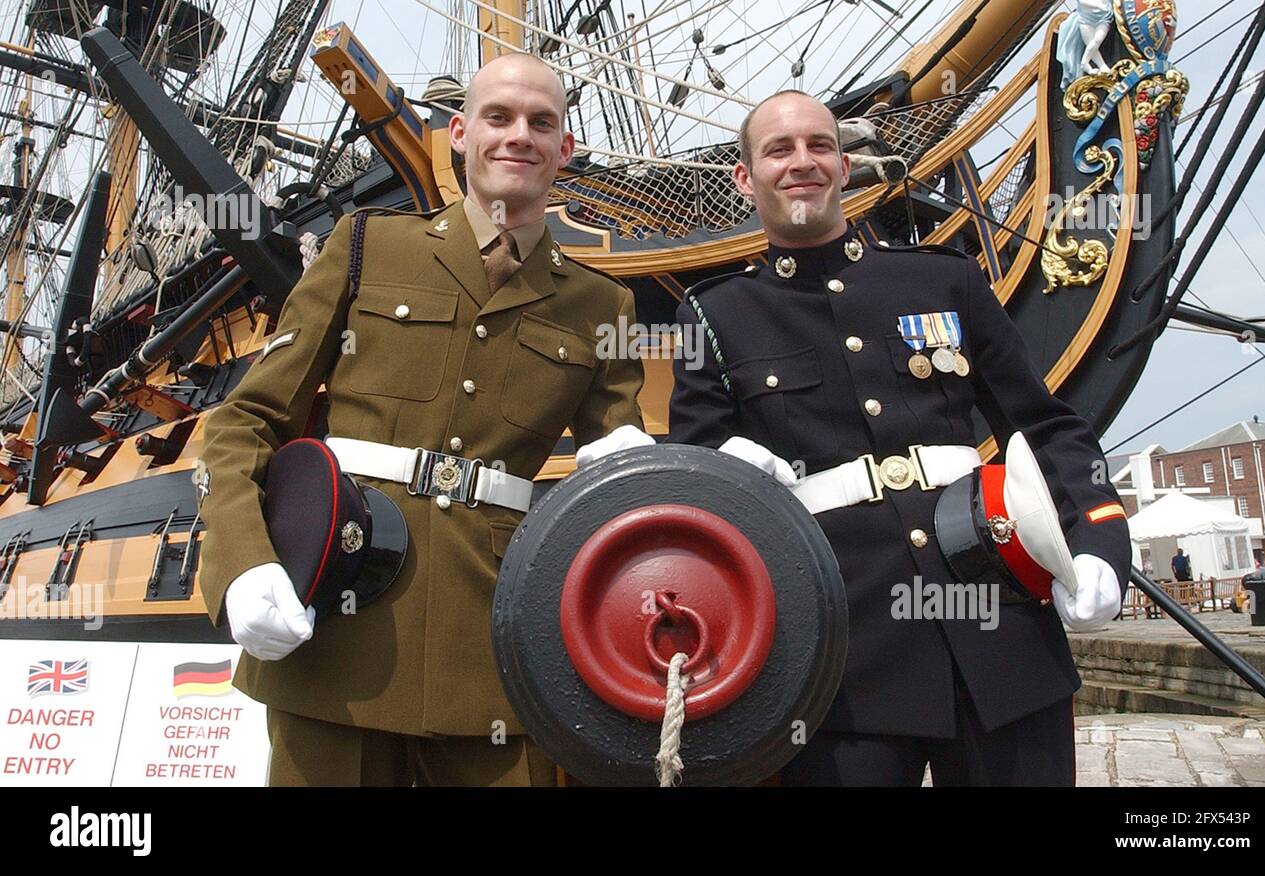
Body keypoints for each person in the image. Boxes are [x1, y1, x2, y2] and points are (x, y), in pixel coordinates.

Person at [199, 53, 651, 786]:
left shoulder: (605, 307)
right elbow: (245, 421)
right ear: (459, 134)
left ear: (565, 149)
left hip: (497, 648)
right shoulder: (367, 247)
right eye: (498, 117)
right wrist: (243, 562)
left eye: (542, 122)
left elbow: (625, 477)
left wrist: (707, 473)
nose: (520, 136)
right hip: (340, 626)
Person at [667, 90, 1131, 786]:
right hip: (844, 663)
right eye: (779, 149)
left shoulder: (943, 280)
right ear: (745, 176)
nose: (803, 162)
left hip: (999, 631)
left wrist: (1097, 543)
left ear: (844, 164)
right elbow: (696, 484)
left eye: (819, 146)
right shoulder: (714, 317)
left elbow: (1044, 427)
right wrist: (719, 472)